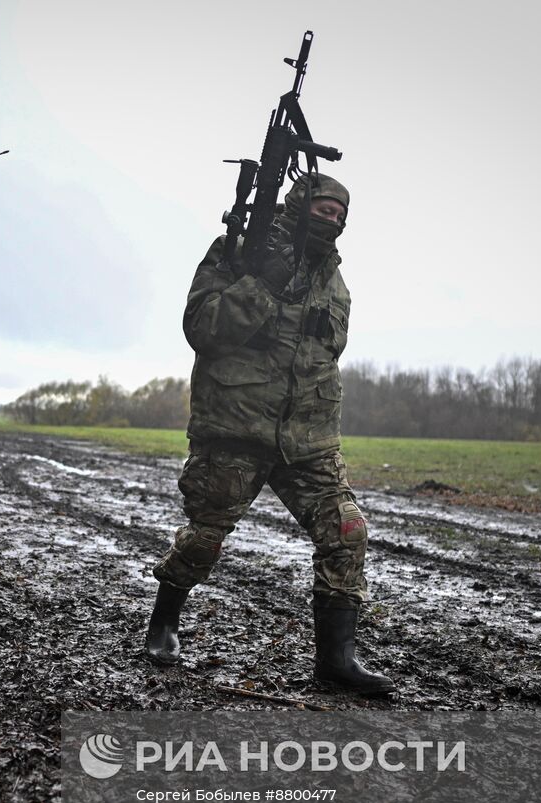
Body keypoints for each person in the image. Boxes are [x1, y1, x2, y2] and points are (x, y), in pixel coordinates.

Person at [145, 173, 394, 695]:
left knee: (347, 531)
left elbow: (327, 353)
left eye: (339, 214)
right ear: (297, 205)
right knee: (204, 537)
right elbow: (202, 328)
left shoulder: (334, 279)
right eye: (322, 209)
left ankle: (336, 660)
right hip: (236, 426)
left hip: (309, 438)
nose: (332, 220)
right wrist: (262, 283)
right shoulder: (239, 250)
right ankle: (163, 624)